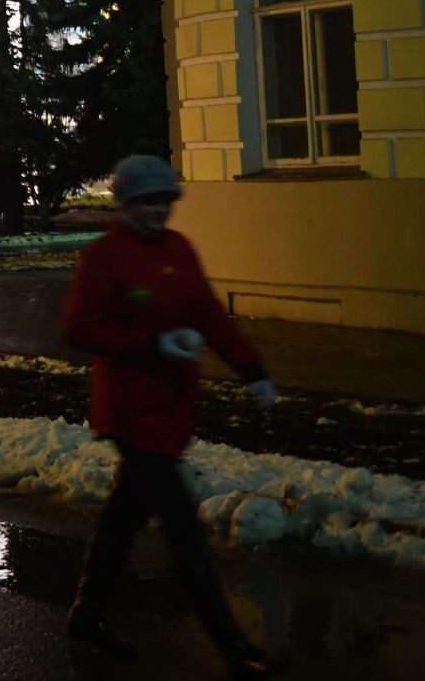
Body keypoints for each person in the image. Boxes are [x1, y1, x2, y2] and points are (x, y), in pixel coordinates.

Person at [63, 155, 286, 677]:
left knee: (122, 521)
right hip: (131, 413)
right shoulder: (105, 258)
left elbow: (207, 313)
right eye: (148, 200)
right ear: (128, 204)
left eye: (166, 199)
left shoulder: (178, 251)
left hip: (171, 408)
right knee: (184, 528)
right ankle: (234, 648)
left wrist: (252, 367)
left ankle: (86, 617)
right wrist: (152, 343)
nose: (160, 209)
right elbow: (79, 328)